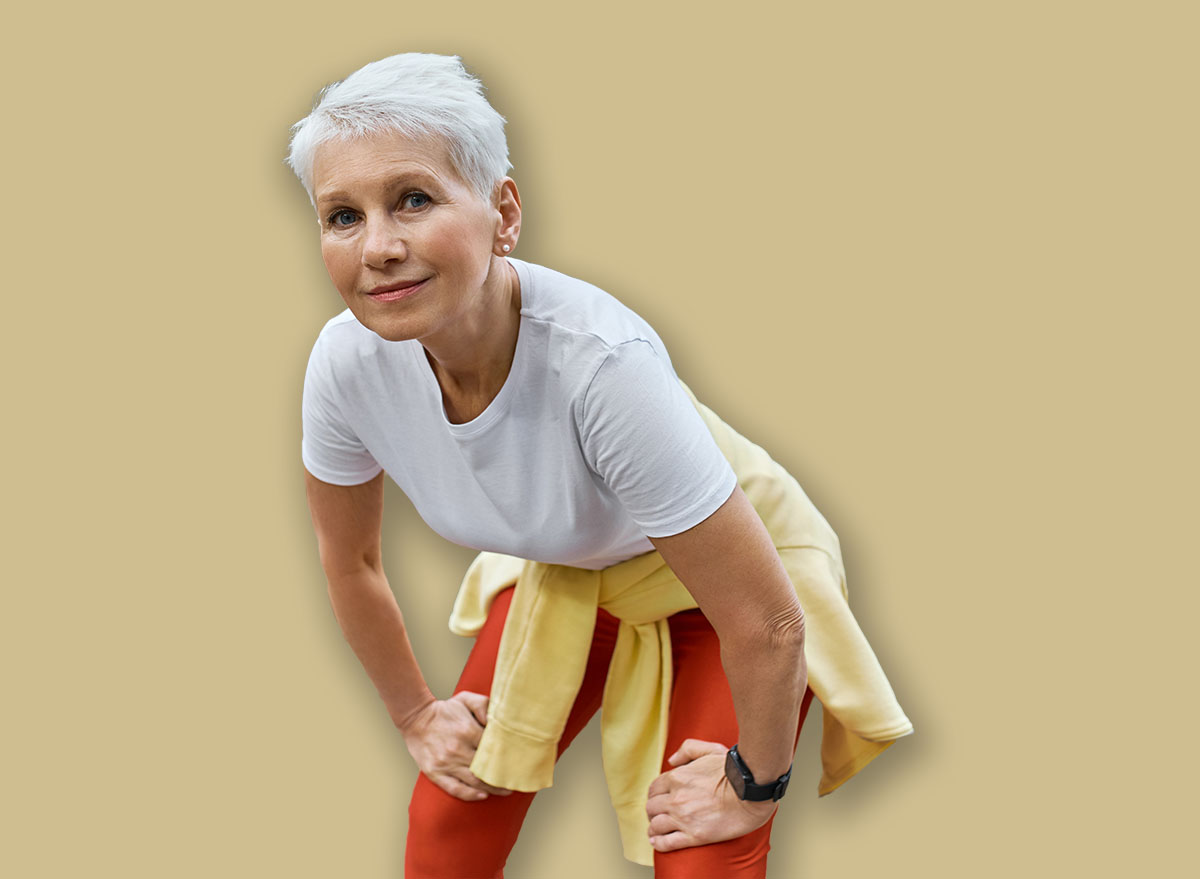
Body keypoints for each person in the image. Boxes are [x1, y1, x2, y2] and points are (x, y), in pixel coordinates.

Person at [288, 53, 912, 879]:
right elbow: (352, 560)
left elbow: (767, 624)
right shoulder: (345, 366)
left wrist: (755, 784)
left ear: (503, 211)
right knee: (447, 821)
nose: (379, 247)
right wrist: (414, 713)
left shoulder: (600, 365)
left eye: (413, 199)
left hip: (728, 591)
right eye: (342, 216)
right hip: (578, 572)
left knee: (703, 851)